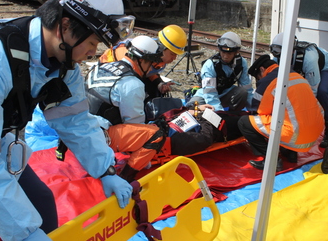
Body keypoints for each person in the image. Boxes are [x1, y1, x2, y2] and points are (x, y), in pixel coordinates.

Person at [0, 0, 134, 241]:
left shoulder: (62, 61)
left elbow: (75, 121)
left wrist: (105, 170)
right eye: (92, 43)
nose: (93, 54)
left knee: (42, 207)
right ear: (65, 25)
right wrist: (25, 231)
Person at [87, 35, 243, 182]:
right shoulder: (132, 84)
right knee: (154, 135)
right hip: (100, 135)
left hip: (83, 128)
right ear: (144, 60)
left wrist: (185, 111)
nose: (152, 69)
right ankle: (126, 176)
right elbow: (137, 126)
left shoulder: (105, 67)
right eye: (152, 64)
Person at [237, 55, 324, 170]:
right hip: (315, 133)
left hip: (296, 136)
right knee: (287, 115)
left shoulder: (268, 81)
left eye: (258, 77)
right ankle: (291, 154)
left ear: (262, 70)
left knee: (245, 123)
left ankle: (271, 161)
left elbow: (259, 110)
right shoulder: (296, 75)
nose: (259, 80)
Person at [270, 33, 328, 147]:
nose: (281, 58)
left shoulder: (309, 59)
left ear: (291, 50)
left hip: (323, 67)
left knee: (322, 92)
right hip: (299, 68)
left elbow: (313, 89)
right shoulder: (277, 57)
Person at [99, 24, 188, 101]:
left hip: (127, 73)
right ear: (162, 49)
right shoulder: (140, 52)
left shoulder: (155, 55)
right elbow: (133, 78)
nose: (174, 58)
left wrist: (160, 84)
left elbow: (150, 72)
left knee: (154, 90)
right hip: (107, 75)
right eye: (172, 54)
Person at [187, 31, 253, 111]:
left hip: (226, 93)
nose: (225, 56)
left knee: (243, 92)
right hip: (205, 95)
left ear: (236, 52)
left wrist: (254, 109)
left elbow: (247, 88)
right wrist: (219, 113)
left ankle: (234, 116)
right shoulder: (210, 65)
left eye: (229, 54)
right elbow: (210, 93)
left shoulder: (242, 63)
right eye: (223, 52)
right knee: (192, 108)